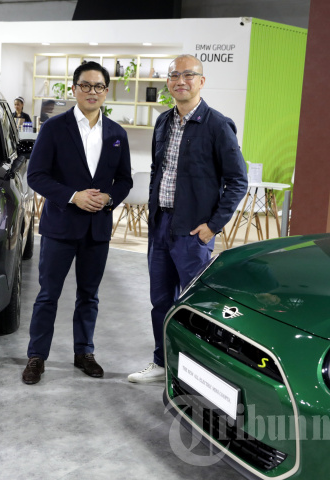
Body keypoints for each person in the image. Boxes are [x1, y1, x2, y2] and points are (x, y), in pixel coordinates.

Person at [128, 54, 248, 383]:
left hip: (193, 231)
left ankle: (196, 373)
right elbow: (159, 171)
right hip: (161, 227)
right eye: (174, 75)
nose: (180, 81)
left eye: (188, 75)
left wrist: (213, 226)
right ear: (167, 82)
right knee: (160, 301)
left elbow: (238, 180)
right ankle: (162, 363)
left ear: (201, 81)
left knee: (194, 305)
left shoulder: (218, 125)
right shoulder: (163, 122)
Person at [22, 61, 133, 385]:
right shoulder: (54, 128)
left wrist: (109, 198)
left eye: (98, 86)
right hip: (60, 226)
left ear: (106, 91)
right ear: (74, 89)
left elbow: (124, 180)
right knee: (48, 294)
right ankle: (36, 356)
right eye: (85, 85)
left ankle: (84, 352)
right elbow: (36, 175)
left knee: (89, 295)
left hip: (97, 228)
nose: (91, 92)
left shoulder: (117, 134)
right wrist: (73, 196)